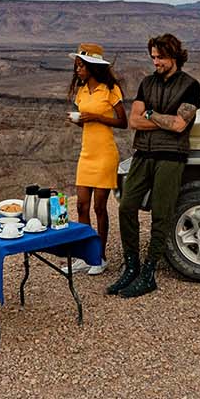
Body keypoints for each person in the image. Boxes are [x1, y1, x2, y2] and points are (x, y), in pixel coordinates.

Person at [110, 33, 200, 299]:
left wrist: (150, 114)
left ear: (174, 56)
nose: (156, 62)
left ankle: (149, 273)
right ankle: (131, 266)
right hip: (143, 154)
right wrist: (158, 118)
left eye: (160, 57)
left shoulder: (191, 86)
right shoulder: (146, 83)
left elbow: (179, 125)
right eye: (153, 57)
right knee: (127, 206)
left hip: (171, 157)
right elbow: (134, 121)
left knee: (161, 213)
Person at [66, 43, 126, 275]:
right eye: (76, 66)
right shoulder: (81, 91)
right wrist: (81, 120)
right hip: (87, 153)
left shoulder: (110, 89)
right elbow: (86, 119)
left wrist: (97, 117)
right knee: (82, 205)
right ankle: (85, 254)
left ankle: (100, 258)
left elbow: (123, 122)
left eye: (81, 65)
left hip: (104, 154)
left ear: (92, 66)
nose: (78, 70)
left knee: (100, 207)